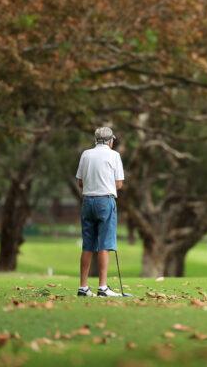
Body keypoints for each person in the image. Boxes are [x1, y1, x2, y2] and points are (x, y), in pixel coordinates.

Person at [75, 127, 124, 297]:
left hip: (88, 201)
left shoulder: (86, 154)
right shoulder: (114, 155)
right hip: (105, 201)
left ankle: (83, 287)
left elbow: (80, 182)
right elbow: (119, 184)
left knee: (87, 244)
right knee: (105, 244)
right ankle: (103, 287)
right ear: (110, 140)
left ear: (96, 140)